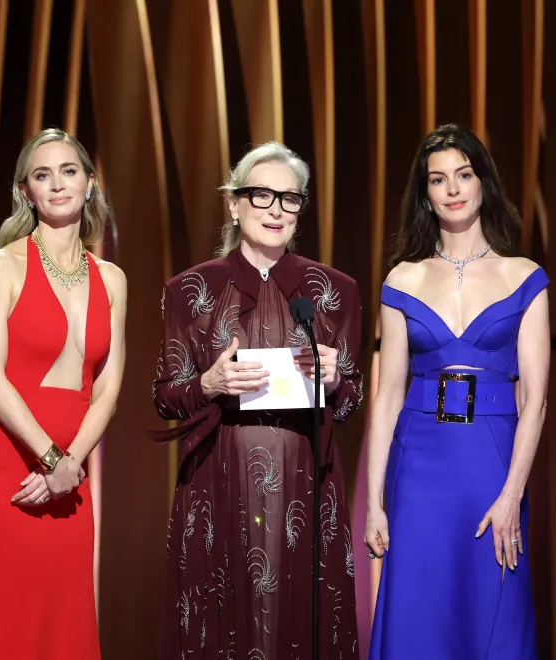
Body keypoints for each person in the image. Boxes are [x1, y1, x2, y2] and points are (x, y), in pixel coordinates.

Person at [152, 142, 363, 658]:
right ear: (234, 203)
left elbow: (353, 399)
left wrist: (337, 380)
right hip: (216, 478)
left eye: (288, 199)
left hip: (306, 481)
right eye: (261, 195)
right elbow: (165, 396)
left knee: (301, 618)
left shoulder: (334, 291)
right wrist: (210, 383)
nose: (274, 210)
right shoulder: (190, 289)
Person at [365, 123, 549, 658]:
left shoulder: (525, 277)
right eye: (438, 179)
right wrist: (374, 502)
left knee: (492, 602)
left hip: (492, 462)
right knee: (418, 612)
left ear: (483, 183)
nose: (452, 189)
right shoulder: (403, 279)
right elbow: (387, 393)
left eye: (464, 175)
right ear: (425, 194)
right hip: (418, 462)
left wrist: (512, 493)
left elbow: (534, 398)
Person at [0, 128, 126, 659]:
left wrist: (68, 465)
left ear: (90, 183)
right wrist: (51, 458)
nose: (57, 184)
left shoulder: (113, 278)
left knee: (65, 625)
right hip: (4, 469)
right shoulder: (1, 265)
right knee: (5, 627)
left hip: (70, 477)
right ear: (25, 192)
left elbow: (108, 390)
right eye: (42, 174)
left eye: (69, 171)